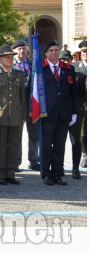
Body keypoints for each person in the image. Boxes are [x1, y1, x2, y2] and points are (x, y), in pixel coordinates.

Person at [0, 44, 28, 185]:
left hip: (16, 115)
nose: (10, 59)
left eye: (11, 57)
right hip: (0, 115)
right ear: (1, 59)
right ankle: (0, 173)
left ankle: (11, 173)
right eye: (7, 57)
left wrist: (24, 115)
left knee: (14, 145)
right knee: (0, 146)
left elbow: (23, 96)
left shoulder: (19, 74)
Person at [41, 40, 78, 186]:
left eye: (56, 50)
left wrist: (74, 112)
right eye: (51, 50)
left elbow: (73, 92)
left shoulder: (68, 68)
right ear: (46, 53)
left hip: (64, 113)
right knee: (46, 146)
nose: (54, 53)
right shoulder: (40, 69)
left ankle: (57, 173)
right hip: (47, 113)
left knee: (59, 145)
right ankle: (46, 174)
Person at [13, 39, 38, 171]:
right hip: (17, 105)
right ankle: (16, 162)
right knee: (17, 135)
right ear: (14, 51)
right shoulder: (11, 66)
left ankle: (34, 160)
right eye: (19, 49)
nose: (22, 51)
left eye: (24, 48)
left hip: (33, 104)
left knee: (34, 134)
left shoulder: (33, 65)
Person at [63, 48, 85, 179]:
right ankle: (58, 167)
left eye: (67, 59)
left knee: (76, 142)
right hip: (60, 112)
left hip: (76, 113)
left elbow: (83, 95)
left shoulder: (80, 76)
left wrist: (79, 109)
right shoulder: (57, 74)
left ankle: (75, 168)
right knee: (59, 142)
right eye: (63, 60)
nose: (66, 62)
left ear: (72, 61)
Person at [73, 40, 87, 170]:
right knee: (83, 132)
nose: (86, 54)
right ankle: (85, 155)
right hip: (83, 106)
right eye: (84, 52)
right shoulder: (76, 67)